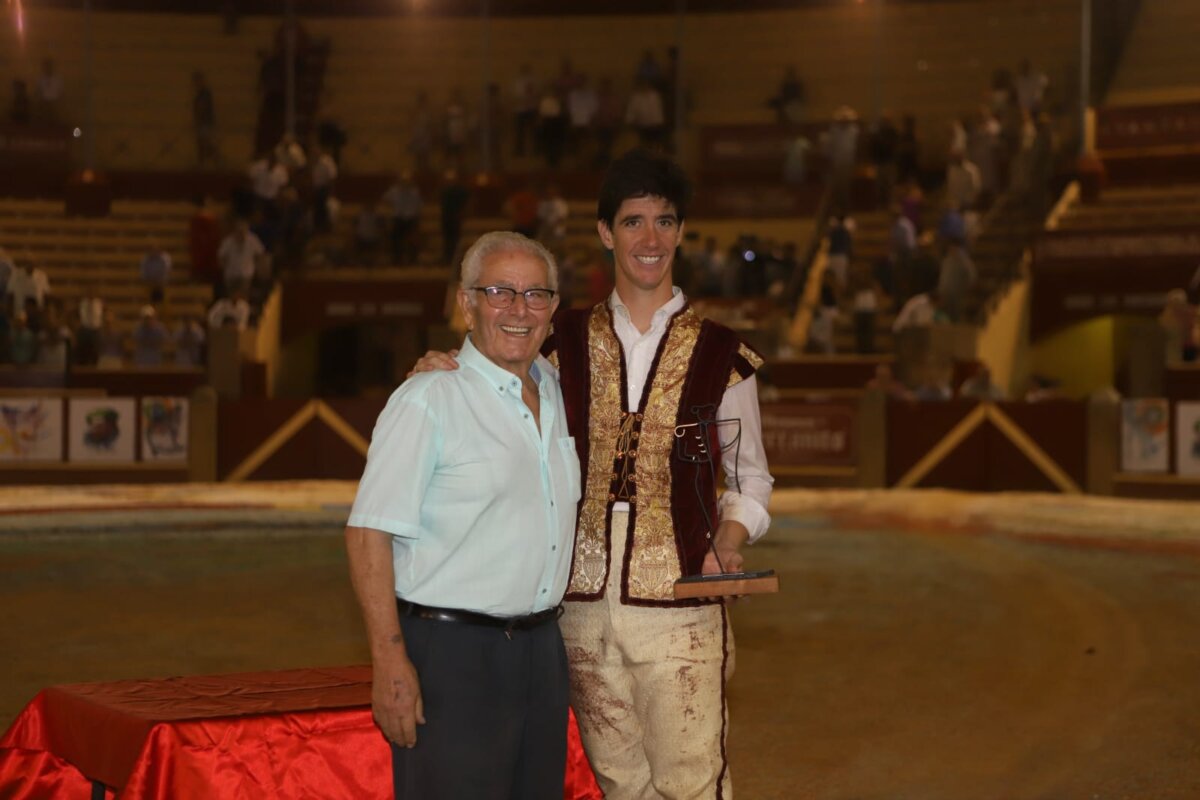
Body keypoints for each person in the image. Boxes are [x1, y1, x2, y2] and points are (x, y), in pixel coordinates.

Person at [412, 150, 773, 798]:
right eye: (634, 221)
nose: (650, 238)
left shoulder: (722, 352)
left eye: (665, 221)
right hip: (577, 610)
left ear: (681, 232)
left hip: (683, 602)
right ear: (607, 232)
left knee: (693, 784)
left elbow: (752, 480)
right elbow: (493, 382)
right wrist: (443, 366)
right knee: (620, 784)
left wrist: (727, 541)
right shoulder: (559, 341)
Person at [345, 231, 577, 800]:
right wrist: (389, 660)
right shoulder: (427, 399)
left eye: (536, 294)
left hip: (543, 654)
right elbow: (368, 533)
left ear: (553, 308)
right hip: (451, 656)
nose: (519, 309)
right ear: (466, 303)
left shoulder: (561, 391)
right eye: (499, 292)